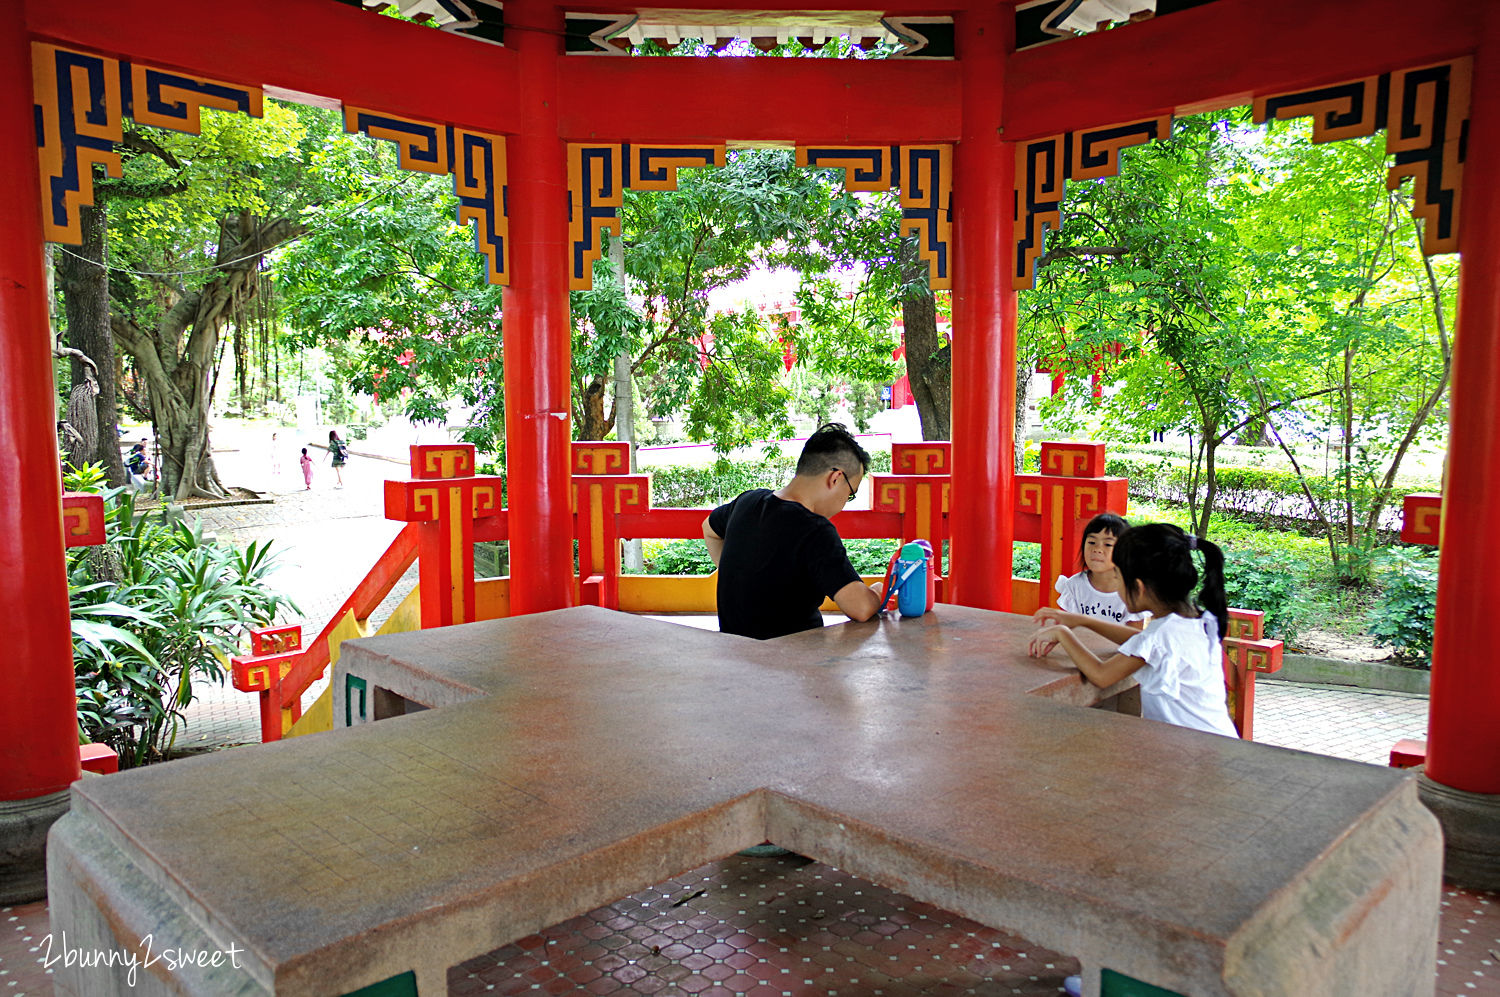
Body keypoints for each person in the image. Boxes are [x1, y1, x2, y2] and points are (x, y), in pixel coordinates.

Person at [1028, 523, 1238, 738]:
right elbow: (1143, 641)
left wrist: (1064, 634)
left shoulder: (1161, 636)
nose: (1116, 586)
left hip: (1196, 752)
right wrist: (1082, 620)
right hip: (1217, 740)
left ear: (1138, 587)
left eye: (1117, 577)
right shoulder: (1195, 621)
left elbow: (1102, 675)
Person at [702, 423, 883, 639]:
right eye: (850, 494)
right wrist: (879, 592)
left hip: (734, 655)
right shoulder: (814, 530)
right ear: (835, 478)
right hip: (792, 664)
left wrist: (741, 575)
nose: (845, 503)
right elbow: (861, 609)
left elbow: (708, 528)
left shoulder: (746, 502)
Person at [1033, 513, 1148, 646]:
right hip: (1079, 653)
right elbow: (1065, 628)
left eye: (1108, 544)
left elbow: (1134, 641)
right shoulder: (1074, 586)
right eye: (1092, 542)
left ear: (1124, 552)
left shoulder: (1132, 592)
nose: (1097, 549)